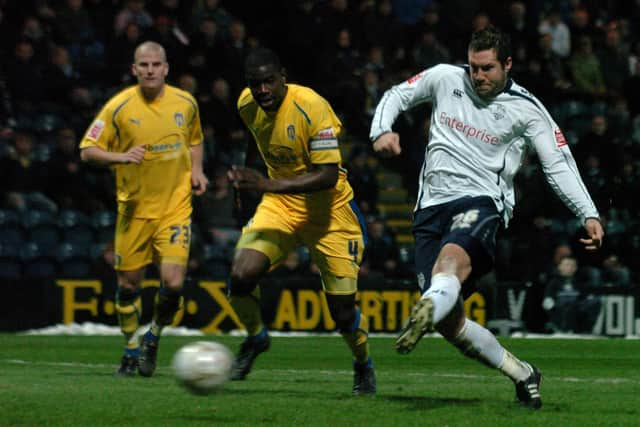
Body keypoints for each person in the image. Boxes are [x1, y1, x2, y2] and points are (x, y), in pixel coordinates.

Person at [369, 27, 605, 409]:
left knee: (448, 266)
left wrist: (587, 212)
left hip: (481, 204)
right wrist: (382, 130)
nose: (478, 76)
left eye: (488, 69)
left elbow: (557, 163)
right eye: (474, 67)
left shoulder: (527, 109)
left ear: (507, 64)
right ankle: (522, 372)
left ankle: (433, 299)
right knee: (450, 322)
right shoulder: (446, 78)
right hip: (429, 209)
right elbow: (398, 94)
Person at [226, 47, 376, 395]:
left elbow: (326, 175)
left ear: (283, 77)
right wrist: (246, 178)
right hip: (281, 206)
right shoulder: (247, 104)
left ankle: (363, 363)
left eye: (268, 82)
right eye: (254, 84)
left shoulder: (311, 106)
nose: (261, 90)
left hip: (330, 213)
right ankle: (256, 338)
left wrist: (265, 183)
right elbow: (254, 135)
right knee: (240, 275)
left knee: (341, 314)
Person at [79, 41, 208, 377]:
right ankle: (130, 347)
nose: (150, 70)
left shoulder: (186, 102)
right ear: (134, 69)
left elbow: (195, 139)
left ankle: (153, 336)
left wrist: (196, 170)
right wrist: (120, 156)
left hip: (175, 208)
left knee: (174, 284)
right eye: (143, 65)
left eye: (156, 64)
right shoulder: (118, 107)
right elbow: (87, 151)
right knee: (129, 286)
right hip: (133, 211)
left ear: (166, 68)